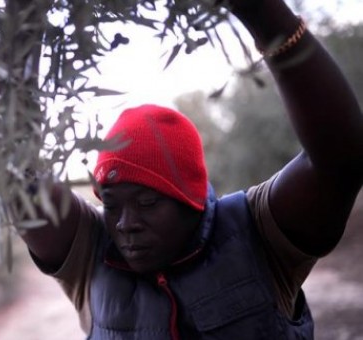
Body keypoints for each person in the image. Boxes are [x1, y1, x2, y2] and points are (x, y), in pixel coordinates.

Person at [19, 0, 363, 338]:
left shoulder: (257, 234)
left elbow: (339, 160)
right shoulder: (90, 253)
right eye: (111, 204)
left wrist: (263, 14)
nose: (125, 225)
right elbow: (16, 175)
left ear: (190, 198)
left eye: (148, 203)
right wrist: (20, 31)